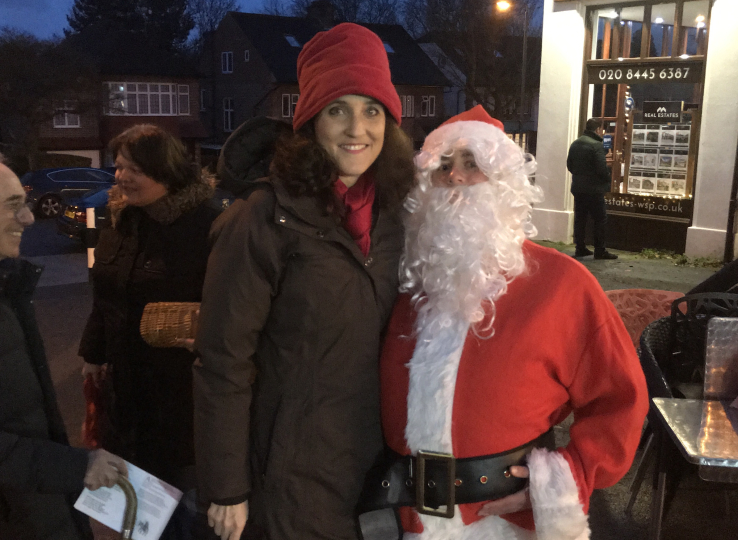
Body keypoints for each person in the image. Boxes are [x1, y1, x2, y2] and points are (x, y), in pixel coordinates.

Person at [368, 106, 648, 539]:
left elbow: (620, 400)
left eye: (472, 163)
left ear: (504, 182)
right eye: (443, 166)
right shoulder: (408, 282)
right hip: (406, 521)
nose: (455, 177)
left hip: (503, 524)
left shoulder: (562, 283)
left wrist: (564, 477)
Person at [193, 23, 415, 540]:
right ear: (311, 119)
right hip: (292, 475)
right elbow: (222, 361)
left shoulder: (398, 215)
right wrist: (227, 488)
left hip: (376, 470)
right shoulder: (263, 217)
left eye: (372, 110)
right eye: (338, 109)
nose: (357, 128)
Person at [78, 125, 221, 537]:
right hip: (126, 392)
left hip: (181, 395)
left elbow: (233, 302)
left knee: (184, 510)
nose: (121, 177)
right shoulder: (121, 219)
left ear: (166, 171)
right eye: (119, 166)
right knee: (137, 515)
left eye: (134, 170)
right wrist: (93, 354)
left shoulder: (206, 225)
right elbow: (105, 294)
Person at [0, 161, 128, 540]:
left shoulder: (8, 286)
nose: (28, 218)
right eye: (11, 205)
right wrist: (72, 467)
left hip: (33, 508)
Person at [567, 118, 617, 260]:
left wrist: (580, 176)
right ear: (597, 129)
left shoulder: (575, 143)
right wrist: (607, 179)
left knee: (580, 219)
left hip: (578, 188)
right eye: (601, 130)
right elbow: (601, 169)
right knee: (600, 219)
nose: (602, 132)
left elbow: (569, 165)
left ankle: (580, 248)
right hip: (594, 189)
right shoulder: (596, 145)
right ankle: (600, 250)